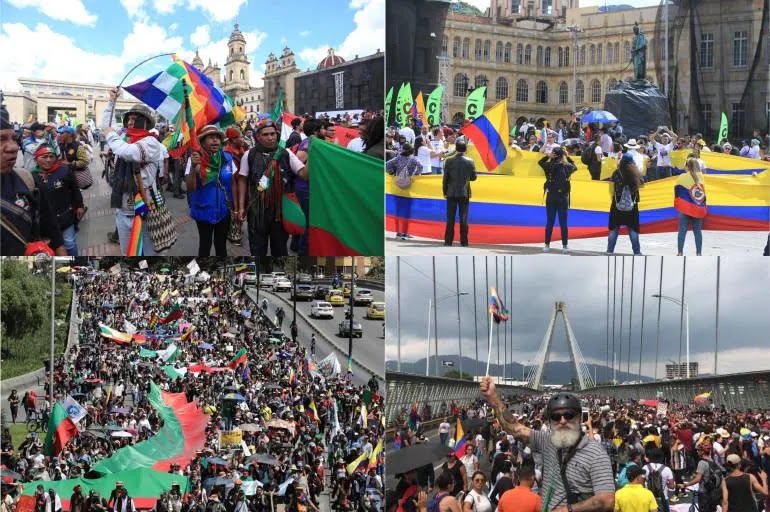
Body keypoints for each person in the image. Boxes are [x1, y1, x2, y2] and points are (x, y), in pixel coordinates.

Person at [479, 377, 615, 511]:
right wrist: (493, 398)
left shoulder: (596, 453)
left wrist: (568, 510)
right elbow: (515, 429)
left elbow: (607, 500)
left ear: (579, 417)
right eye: (556, 417)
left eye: (568, 415)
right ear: (550, 422)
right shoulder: (548, 442)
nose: (562, 421)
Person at [101, 88, 167, 255]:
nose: (130, 122)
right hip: (122, 209)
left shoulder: (151, 142)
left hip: (145, 209)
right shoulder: (124, 137)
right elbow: (106, 125)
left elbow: (128, 152)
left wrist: (110, 135)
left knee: (149, 253)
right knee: (128, 253)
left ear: (145, 122)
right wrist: (112, 101)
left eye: (134, 119)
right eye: (128, 119)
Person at [235, 118, 307, 256]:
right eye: (265, 134)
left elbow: (304, 174)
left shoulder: (286, 154)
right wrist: (241, 207)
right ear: (257, 136)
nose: (270, 137)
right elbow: (242, 180)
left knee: (280, 250)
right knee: (257, 251)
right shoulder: (248, 155)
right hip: (256, 213)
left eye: (273, 134)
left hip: (280, 214)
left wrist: (314, 152)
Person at [1, 105, 67, 256]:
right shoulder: (29, 143)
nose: (13, 147)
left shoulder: (28, 180)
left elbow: (49, 223)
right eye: (1, 139)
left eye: (13, 138)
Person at [186, 125, 234, 257]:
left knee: (221, 246)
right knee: (205, 246)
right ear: (202, 141)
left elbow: (234, 182)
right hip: (203, 210)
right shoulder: (195, 158)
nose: (215, 140)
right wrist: (193, 167)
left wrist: (236, 206)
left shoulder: (227, 158)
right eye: (211, 137)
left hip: (224, 211)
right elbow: (190, 188)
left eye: (217, 137)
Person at [34, 144, 85, 256]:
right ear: (36, 159)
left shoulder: (64, 171)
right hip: (45, 221)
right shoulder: (31, 176)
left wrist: (80, 205)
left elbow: (75, 189)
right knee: (51, 248)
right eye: (44, 157)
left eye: (51, 156)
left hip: (65, 215)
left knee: (69, 244)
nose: (48, 160)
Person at [539, 146, 577, 253]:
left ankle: (547, 245)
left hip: (551, 197)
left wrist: (547, 156)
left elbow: (540, 162)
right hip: (563, 197)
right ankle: (565, 246)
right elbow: (575, 166)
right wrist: (568, 156)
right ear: (562, 155)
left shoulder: (548, 165)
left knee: (550, 222)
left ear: (553, 155)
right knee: (563, 223)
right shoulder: (567, 166)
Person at [386, 142, 423, 240]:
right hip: (408, 188)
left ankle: (398, 233)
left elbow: (387, 164)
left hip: (397, 187)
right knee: (406, 212)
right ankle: (405, 233)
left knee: (398, 211)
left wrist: (392, 174)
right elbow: (421, 167)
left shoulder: (398, 158)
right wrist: (413, 177)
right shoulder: (413, 159)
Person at [607, 154, 643, 255]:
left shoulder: (616, 173)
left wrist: (615, 199)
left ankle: (610, 251)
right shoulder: (636, 173)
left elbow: (611, 190)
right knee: (633, 229)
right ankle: (637, 252)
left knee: (614, 228)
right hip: (632, 206)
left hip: (617, 205)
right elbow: (642, 184)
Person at [442, 141, 476, 247]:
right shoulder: (470, 161)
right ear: (465, 149)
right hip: (464, 192)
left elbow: (445, 179)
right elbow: (473, 178)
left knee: (450, 218)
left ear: (456, 148)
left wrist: (445, 191)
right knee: (464, 218)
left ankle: (448, 241)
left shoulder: (449, 161)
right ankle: (464, 241)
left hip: (451, 192)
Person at [674, 157, 707, 255]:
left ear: (687, 167)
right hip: (697, 208)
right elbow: (702, 194)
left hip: (684, 208)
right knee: (697, 231)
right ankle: (699, 253)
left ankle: (680, 252)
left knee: (682, 230)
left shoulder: (681, 177)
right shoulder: (701, 177)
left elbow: (677, 192)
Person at [677, 442, 722, 512]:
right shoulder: (711, 460)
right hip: (713, 491)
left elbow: (698, 479)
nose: (697, 452)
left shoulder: (702, 463)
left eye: (698, 450)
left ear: (702, 452)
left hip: (704, 492)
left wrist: (685, 485)